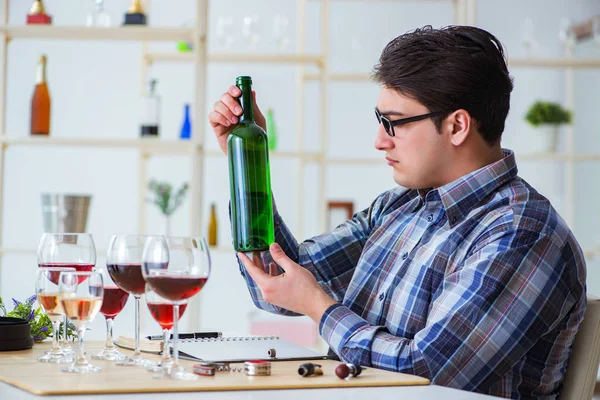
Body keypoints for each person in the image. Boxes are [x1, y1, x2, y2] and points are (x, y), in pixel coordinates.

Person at [208, 25, 586, 399]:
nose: (379, 140)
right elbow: (276, 283)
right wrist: (245, 164)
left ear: (457, 126)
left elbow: (426, 373)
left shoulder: (523, 234)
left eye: (394, 123)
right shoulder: (399, 206)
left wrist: (319, 308)